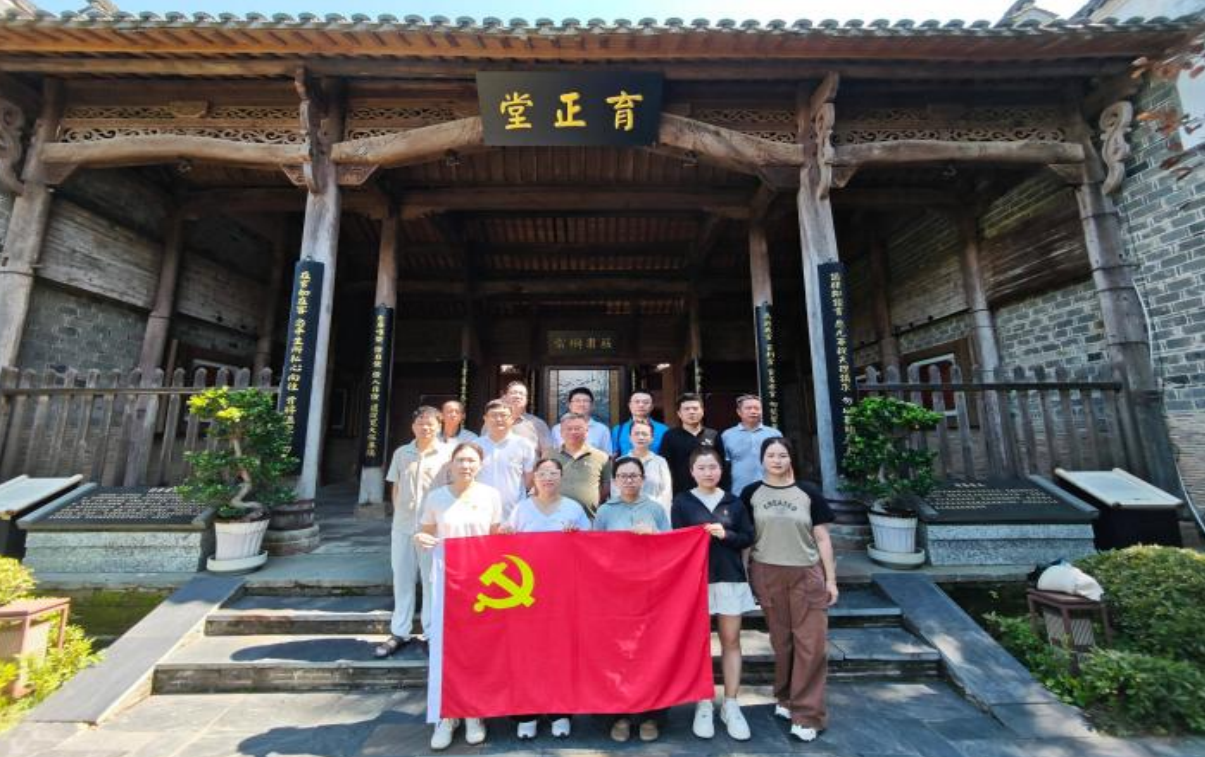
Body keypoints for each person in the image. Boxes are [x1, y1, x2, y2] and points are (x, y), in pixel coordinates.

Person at [742, 438, 838, 743]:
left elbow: (822, 538)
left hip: (805, 573)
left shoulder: (808, 492)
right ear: (762, 460)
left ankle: (808, 714)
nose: (777, 460)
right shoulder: (751, 493)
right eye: (771, 455)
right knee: (782, 642)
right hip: (766, 572)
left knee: (811, 643)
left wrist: (831, 580)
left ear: (790, 458)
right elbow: (747, 539)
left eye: (782, 455)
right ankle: (786, 698)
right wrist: (745, 577)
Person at [413, 441, 504, 751]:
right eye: (461, 460)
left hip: (481, 584)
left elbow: (496, 538)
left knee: (477, 649)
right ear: (451, 464)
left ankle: (474, 713)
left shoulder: (491, 496)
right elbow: (425, 531)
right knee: (445, 650)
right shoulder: (437, 497)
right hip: (446, 582)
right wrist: (421, 537)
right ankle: (447, 715)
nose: (466, 465)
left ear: (480, 465)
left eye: (471, 461)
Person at [498, 457, 590, 740]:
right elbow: (506, 547)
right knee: (527, 653)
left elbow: (590, 546)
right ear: (534, 478)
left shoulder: (574, 508)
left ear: (561, 477)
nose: (548, 478)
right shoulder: (521, 509)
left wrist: (576, 536)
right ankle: (527, 713)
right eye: (542, 473)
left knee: (561, 651)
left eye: (553, 473)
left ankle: (560, 712)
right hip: (527, 593)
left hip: (563, 592)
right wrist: (505, 534)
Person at [671, 447, 755, 741]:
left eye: (713, 467)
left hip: (729, 577)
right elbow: (676, 540)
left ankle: (731, 703)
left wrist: (725, 534)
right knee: (699, 642)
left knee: (731, 640)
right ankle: (703, 702)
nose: (708, 472)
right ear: (691, 471)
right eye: (702, 467)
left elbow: (748, 537)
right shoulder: (682, 502)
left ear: (721, 470)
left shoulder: (734, 501)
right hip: (696, 581)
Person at [593, 456, 671, 743]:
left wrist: (655, 535)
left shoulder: (655, 509)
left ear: (643, 479)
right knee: (617, 655)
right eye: (623, 476)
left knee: (651, 654)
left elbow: (672, 547)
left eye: (634, 475)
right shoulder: (605, 511)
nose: (629, 480)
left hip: (650, 593)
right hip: (615, 595)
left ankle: (651, 716)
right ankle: (620, 716)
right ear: (614, 481)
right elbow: (593, 551)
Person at [376, 406, 451, 659]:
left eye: (430, 423)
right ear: (413, 426)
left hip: (433, 529)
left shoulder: (448, 454)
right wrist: (400, 515)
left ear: (439, 426)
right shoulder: (402, 453)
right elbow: (396, 487)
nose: (425, 427)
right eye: (420, 422)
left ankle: (431, 633)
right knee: (402, 579)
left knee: (431, 581)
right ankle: (400, 631)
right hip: (403, 527)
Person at [476, 399, 536, 519]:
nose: (499, 419)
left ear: (512, 419)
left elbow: (529, 480)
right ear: (485, 419)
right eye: (493, 415)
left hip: (515, 513)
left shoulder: (524, 445)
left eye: (503, 415)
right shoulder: (476, 446)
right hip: (481, 511)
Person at [660, 392, 729, 496]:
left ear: (702, 411)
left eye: (695, 408)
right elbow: (665, 467)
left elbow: (721, 465)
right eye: (687, 409)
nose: (691, 412)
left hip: (710, 491)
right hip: (680, 493)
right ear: (679, 413)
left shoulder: (713, 435)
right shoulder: (670, 436)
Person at [551, 412, 611, 517]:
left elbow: (606, 486)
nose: (573, 432)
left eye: (578, 428)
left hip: (589, 517)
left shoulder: (602, 457)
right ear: (561, 433)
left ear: (587, 431)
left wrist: (591, 501)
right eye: (569, 429)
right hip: (554, 517)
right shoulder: (549, 455)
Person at [721, 395, 782, 497]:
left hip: (771, 490)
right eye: (748, 408)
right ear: (739, 412)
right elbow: (723, 467)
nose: (753, 411)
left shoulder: (774, 434)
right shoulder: (727, 435)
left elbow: (784, 463)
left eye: (757, 408)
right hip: (739, 491)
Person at [612, 418, 672, 513]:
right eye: (636, 434)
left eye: (645, 434)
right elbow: (615, 493)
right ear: (630, 437)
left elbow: (666, 493)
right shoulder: (620, 462)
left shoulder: (660, 462)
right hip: (627, 515)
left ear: (652, 438)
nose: (640, 437)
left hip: (655, 514)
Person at [483, 380, 553, 457]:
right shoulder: (491, 422)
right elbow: (483, 447)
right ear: (504, 397)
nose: (518, 396)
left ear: (526, 400)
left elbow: (548, 451)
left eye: (522, 394)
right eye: (513, 393)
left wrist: (543, 464)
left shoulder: (537, 423)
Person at [550, 386, 612, 454]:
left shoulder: (602, 429)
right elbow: (553, 455)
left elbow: (607, 456)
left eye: (585, 401)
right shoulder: (557, 429)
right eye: (577, 401)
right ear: (569, 405)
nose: (581, 404)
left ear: (592, 405)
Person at [611, 391, 669, 456]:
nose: (641, 405)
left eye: (646, 402)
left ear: (652, 406)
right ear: (630, 405)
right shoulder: (618, 430)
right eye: (637, 402)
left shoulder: (663, 430)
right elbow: (614, 455)